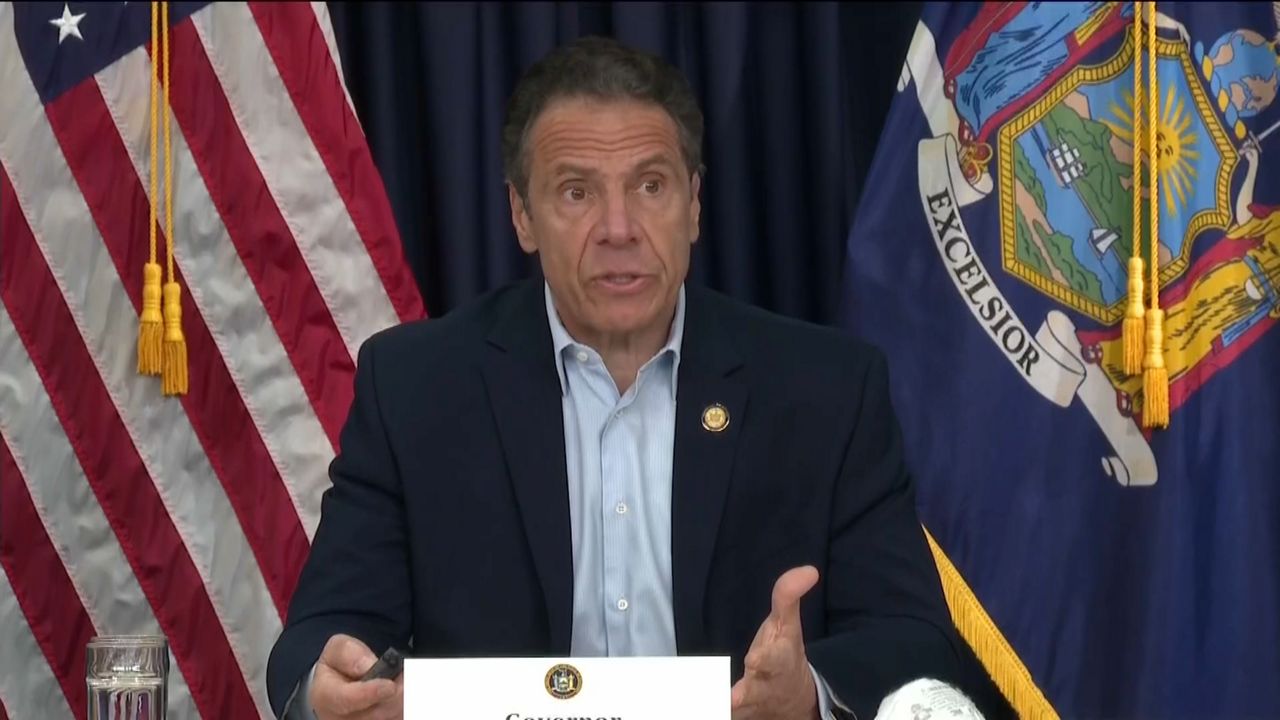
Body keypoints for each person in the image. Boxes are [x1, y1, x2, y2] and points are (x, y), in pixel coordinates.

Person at [267, 35, 1006, 720]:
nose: (619, 229)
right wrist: (332, 689)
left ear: (694, 205)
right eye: (576, 192)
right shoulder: (417, 387)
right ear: (522, 215)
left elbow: (914, 641)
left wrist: (808, 689)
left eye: (650, 186)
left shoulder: (827, 390)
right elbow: (316, 642)